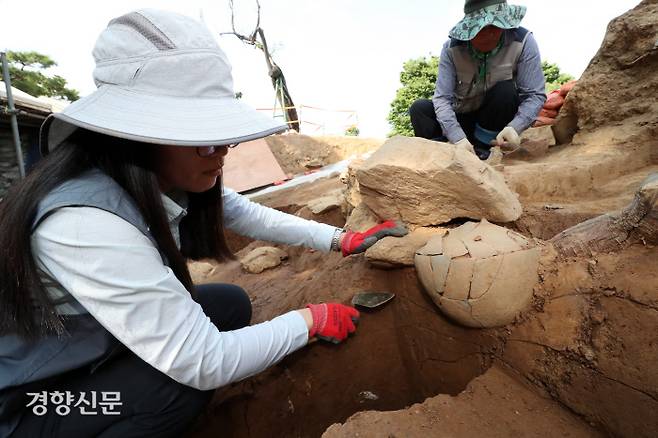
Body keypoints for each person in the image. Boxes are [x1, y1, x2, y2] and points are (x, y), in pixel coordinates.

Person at [0, 10, 407, 438]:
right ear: (138, 134)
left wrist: (342, 238)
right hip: (34, 400)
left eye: (225, 138)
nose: (222, 153)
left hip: (89, 348)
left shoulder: (152, 177)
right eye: (206, 140)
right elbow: (202, 361)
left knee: (228, 305)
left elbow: (244, 212)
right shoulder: (83, 224)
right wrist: (309, 321)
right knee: (177, 388)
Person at [409, 0, 546, 159]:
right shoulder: (451, 50)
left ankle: (484, 148)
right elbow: (442, 99)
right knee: (419, 108)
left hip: (495, 120)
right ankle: (442, 154)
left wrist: (515, 127)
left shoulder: (523, 41)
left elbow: (535, 94)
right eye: (482, 29)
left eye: (495, 27)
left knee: (505, 91)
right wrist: (457, 137)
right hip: (460, 118)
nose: (490, 34)